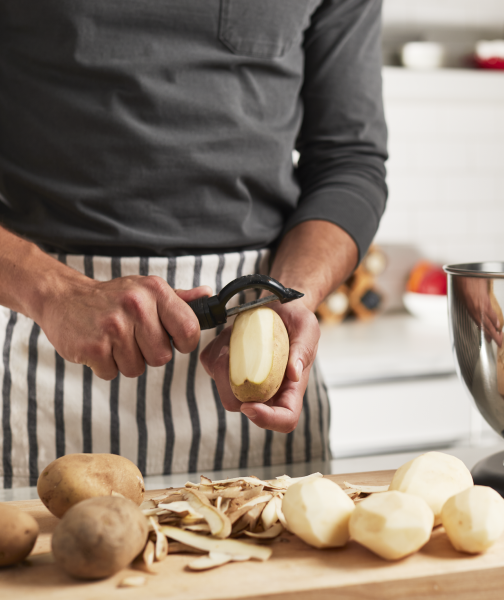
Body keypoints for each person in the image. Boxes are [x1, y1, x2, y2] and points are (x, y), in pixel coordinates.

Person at [0, 0, 388, 488]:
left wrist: (292, 294)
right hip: (49, 344)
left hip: (259, 340)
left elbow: (348, 162)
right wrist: (52, 292)